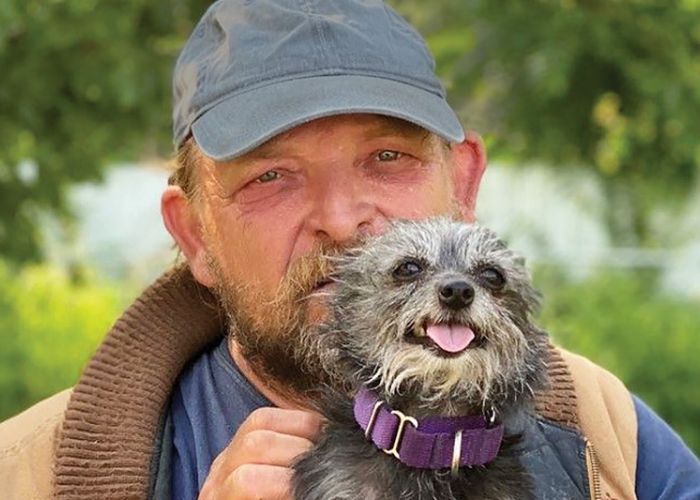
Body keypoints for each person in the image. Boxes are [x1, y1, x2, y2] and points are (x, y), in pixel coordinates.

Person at [0, 1, 698, 499]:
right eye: (271, 176)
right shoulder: (27, 472)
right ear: (195, 235)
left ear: (464, 185)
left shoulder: (617, 445)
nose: (340, 221)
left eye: (387, 157)